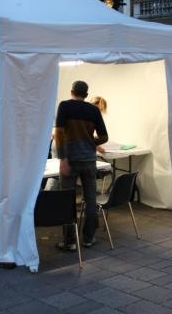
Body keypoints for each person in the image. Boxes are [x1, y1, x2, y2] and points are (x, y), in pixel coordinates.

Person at [54, 80, 108, 250]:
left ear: (71, 92)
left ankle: (70, 242)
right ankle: (88, 238)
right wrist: (91, 142)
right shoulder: (94, 110)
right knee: (90, 199)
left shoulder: (64, 106)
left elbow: (59, 134)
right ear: (86, 95)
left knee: (67, 201)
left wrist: (62, 158)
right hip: (89, 161)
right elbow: (104, 137)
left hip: (70, 161)